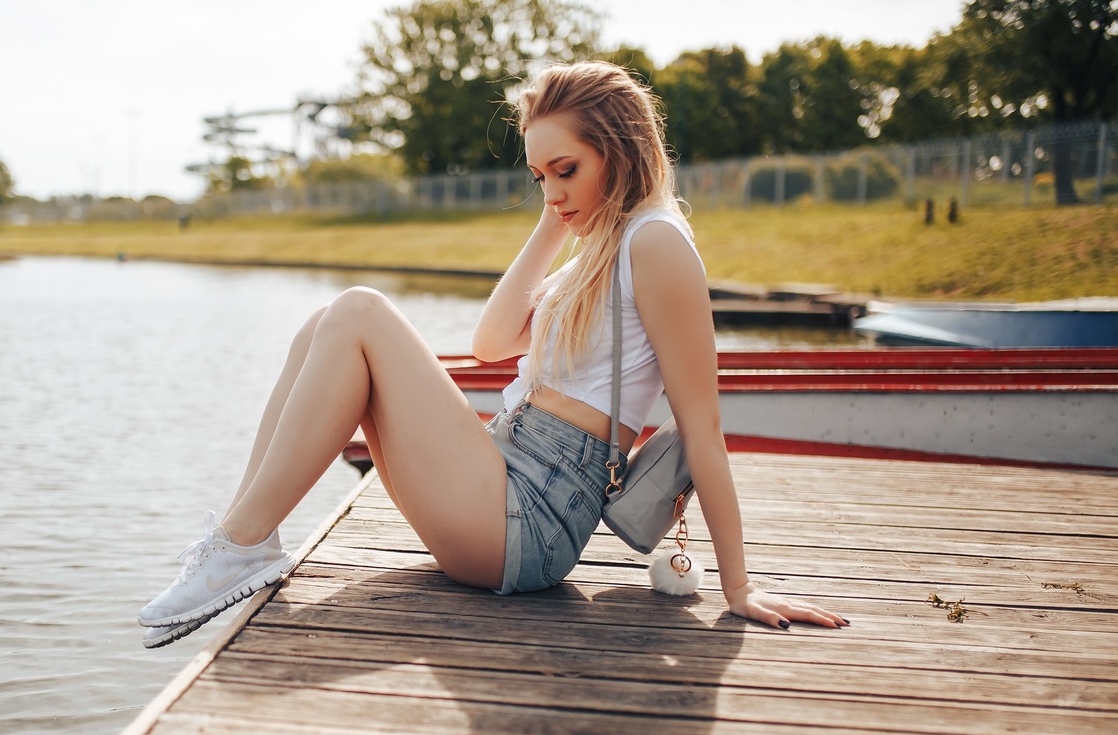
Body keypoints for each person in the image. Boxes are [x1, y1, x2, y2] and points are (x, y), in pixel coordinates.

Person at [137, 60, 849, 649]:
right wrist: (557, 218)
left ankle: (239, 545)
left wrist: (739, 585)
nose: (553, 192)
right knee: (325, 321)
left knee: (358, 311)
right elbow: (491, 342)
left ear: (621, 150)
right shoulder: (600, 249)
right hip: (503, 479)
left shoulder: (656, 244)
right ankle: (245, 541)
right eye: (540, 178)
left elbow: (704, 429)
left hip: (530, 523)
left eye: (565, 169)